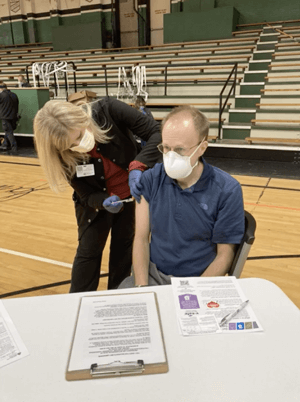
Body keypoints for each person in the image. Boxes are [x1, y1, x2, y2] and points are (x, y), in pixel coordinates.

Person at [33, 96, 162, 292]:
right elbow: (84, 193)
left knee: (123, 250)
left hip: (130, 195)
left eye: (79, 135)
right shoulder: (59, 151)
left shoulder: (109, 110)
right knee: (88, 252)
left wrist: (138, 164)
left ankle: (116, 298)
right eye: (71, 145)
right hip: (94, 205)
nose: (79, 144)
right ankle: (79, 302)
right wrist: (102, 201)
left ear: (82, 118)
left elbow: (157, 133)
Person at [120, 105, 245, 288]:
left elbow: (224, 257)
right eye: (166, 148)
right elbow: (140, 238)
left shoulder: (227, 190)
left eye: (179, 150)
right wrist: (142, 287)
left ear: (202, 147)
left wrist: (191, 293)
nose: (170, 156)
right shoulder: (150, 179)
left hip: (199, 281)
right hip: (153, 276)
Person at [0, 82, 19, 155]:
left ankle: (14, 147)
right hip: (13, 116)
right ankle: (4, 144)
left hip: (5, 116)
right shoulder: (14, 95)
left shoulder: (1, 95)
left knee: (9, 132)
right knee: (8, 131)